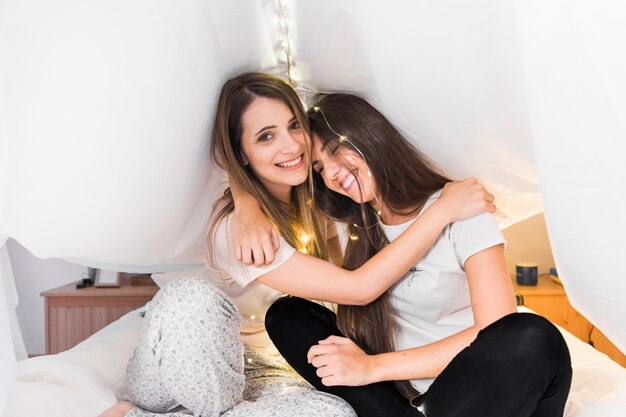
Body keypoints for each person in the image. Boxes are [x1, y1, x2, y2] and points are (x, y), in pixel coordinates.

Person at [97, 73, 494, 417]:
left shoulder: (327, 202)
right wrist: (442, 211)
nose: (291, 147)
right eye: (266, 137)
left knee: (334, 411)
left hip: (266, 371)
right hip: (187, 356)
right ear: (242, 156)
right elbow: (359, 288)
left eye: (293, 126)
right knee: (190, 300)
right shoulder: (237, 228)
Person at [245, 93, 572, 417]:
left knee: (532, 336)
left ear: (369, 136)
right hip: (399, 401)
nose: (331, 174)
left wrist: (371, 368)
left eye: (336, 152)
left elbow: (497, 329)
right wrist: (245, 205)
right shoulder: (346, 225)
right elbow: (265, 181)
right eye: (319, 167)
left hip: (476, 387)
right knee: (287, 315)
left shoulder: (459, 208)